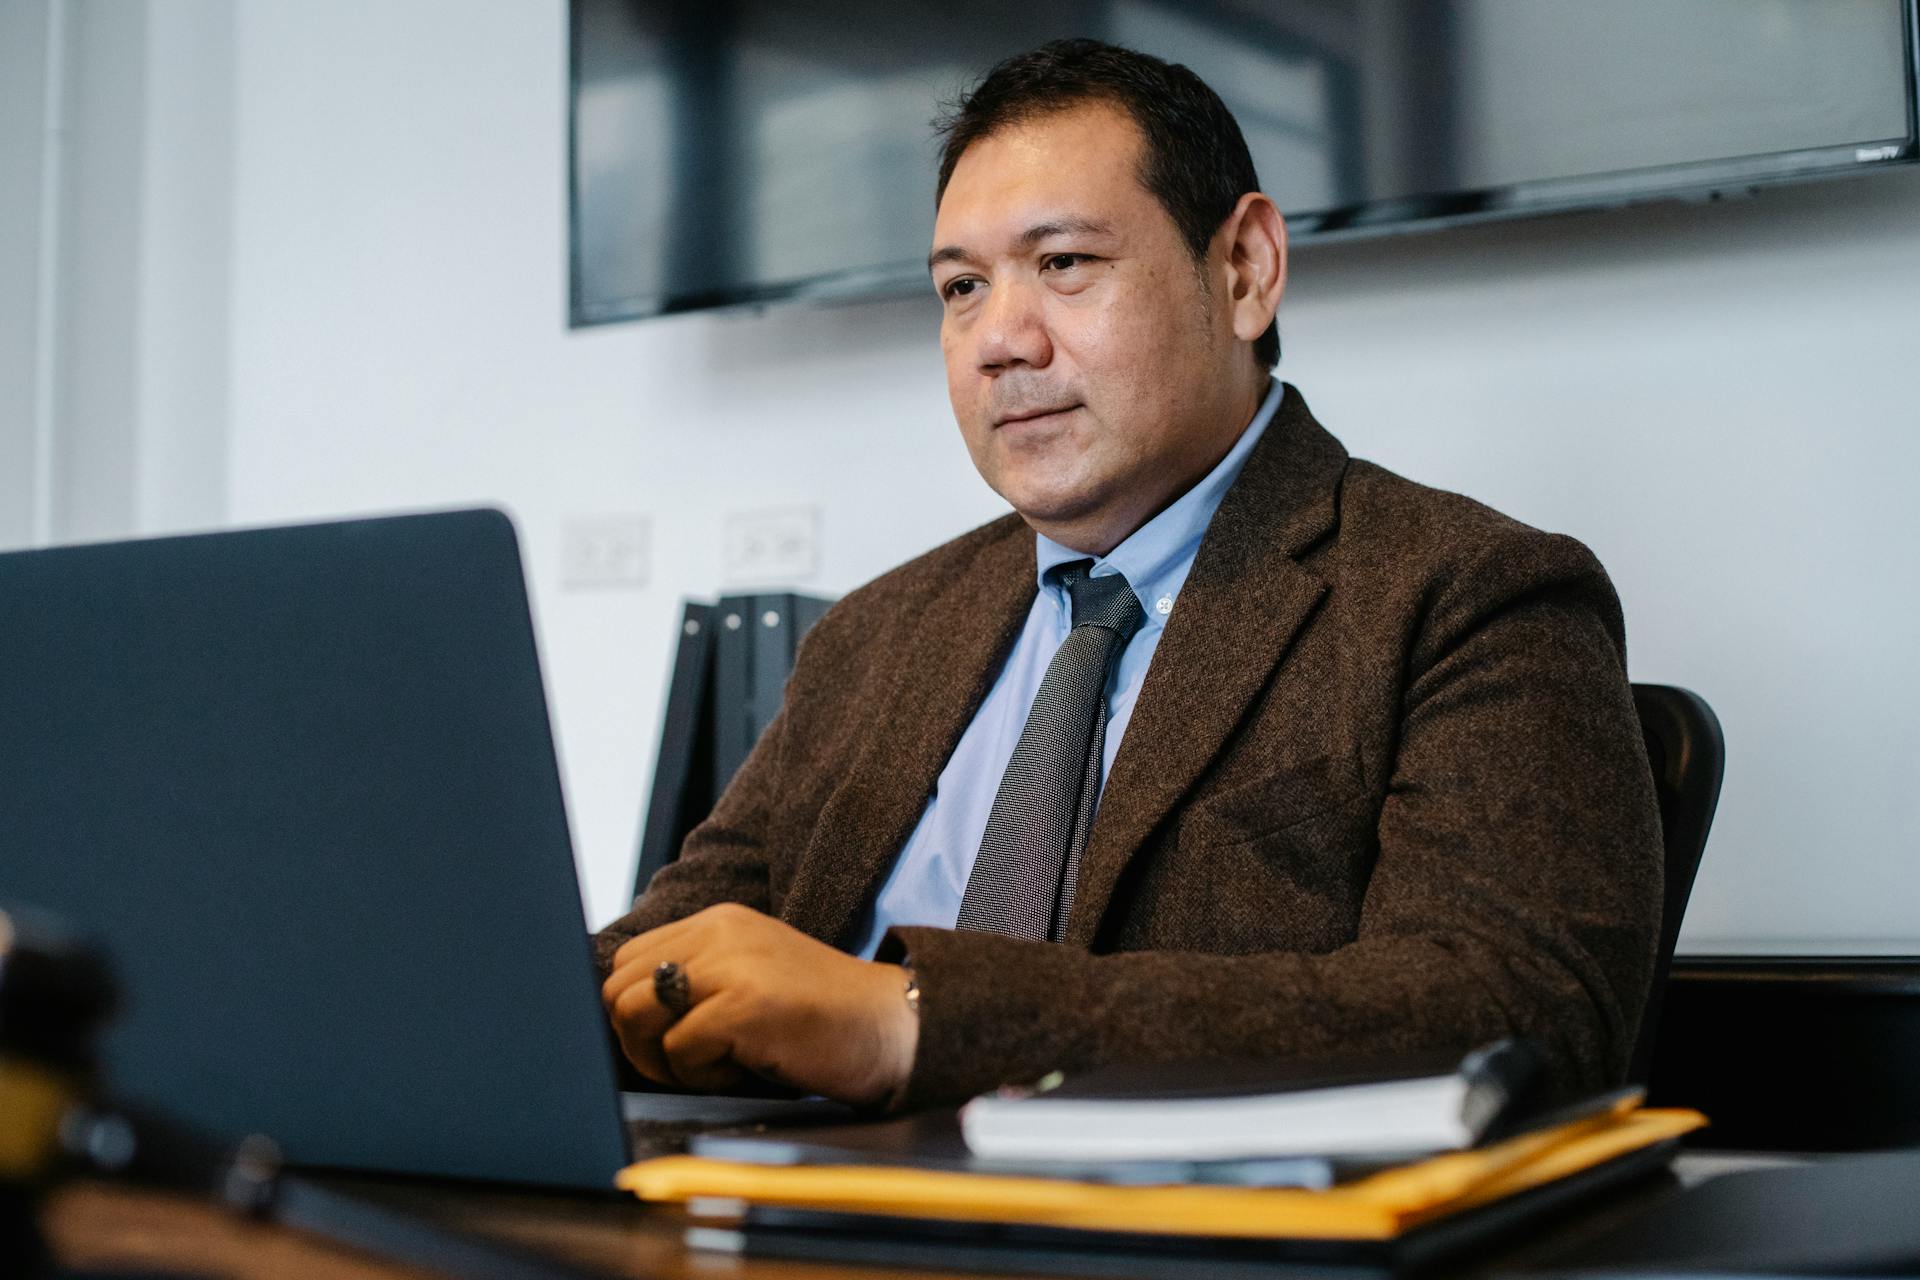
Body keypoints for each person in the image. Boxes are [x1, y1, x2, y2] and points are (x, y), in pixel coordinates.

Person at [595, 39, 1661, 1113]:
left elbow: (1520, 1010)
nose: (998, 341)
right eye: (962, 287)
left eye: (1063, 263)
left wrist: (906, 1017)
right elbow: (664, 950)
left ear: (1244, 268)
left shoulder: (1470, 596)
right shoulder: (874, 634)